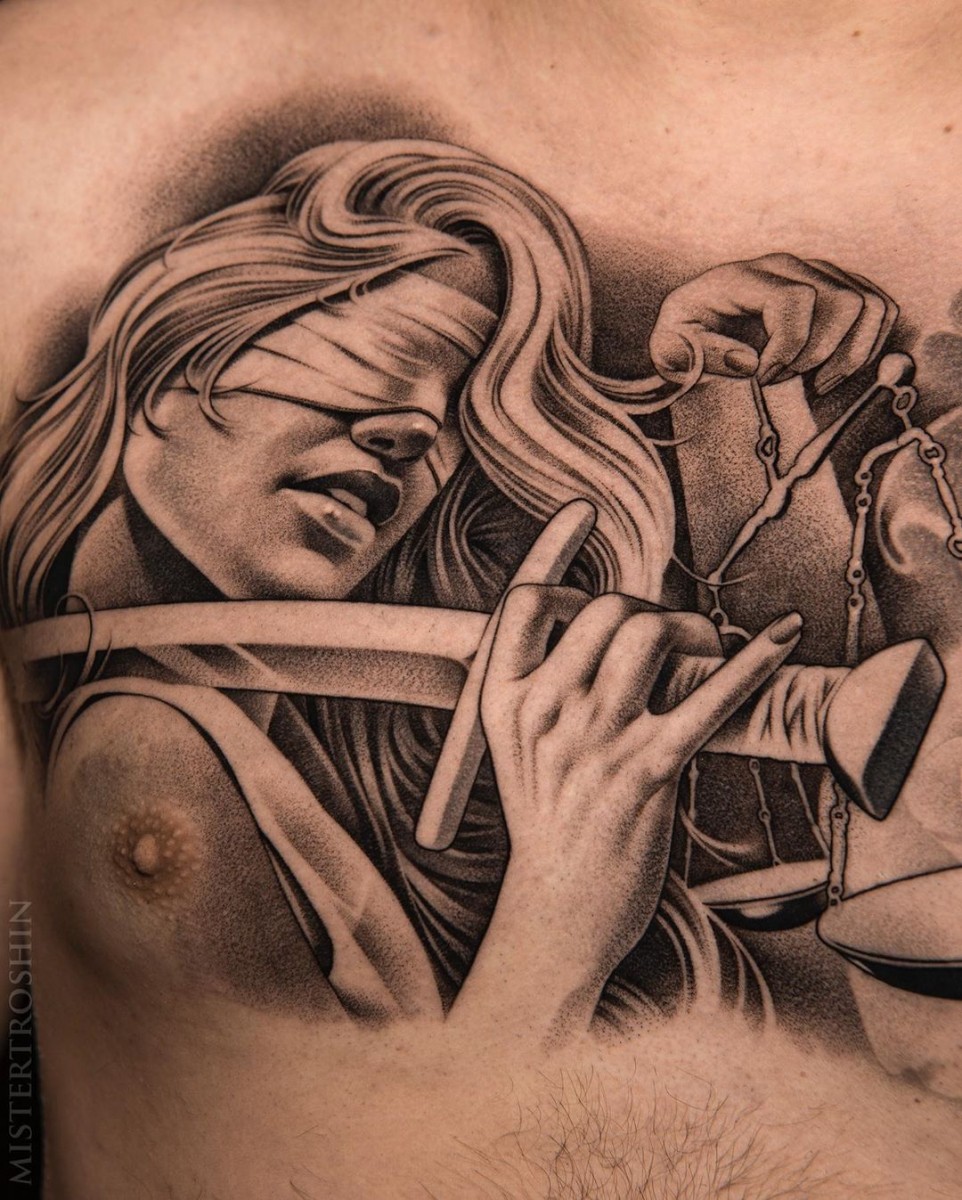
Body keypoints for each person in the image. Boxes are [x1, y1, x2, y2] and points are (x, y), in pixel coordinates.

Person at [2, 4, 961, 1197]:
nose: (417, 434)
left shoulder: (350, 720)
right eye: (383, 353)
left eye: (456, 406)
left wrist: (715, 404)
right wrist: (564, 899)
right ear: (174, 358)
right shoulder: (56, 104)